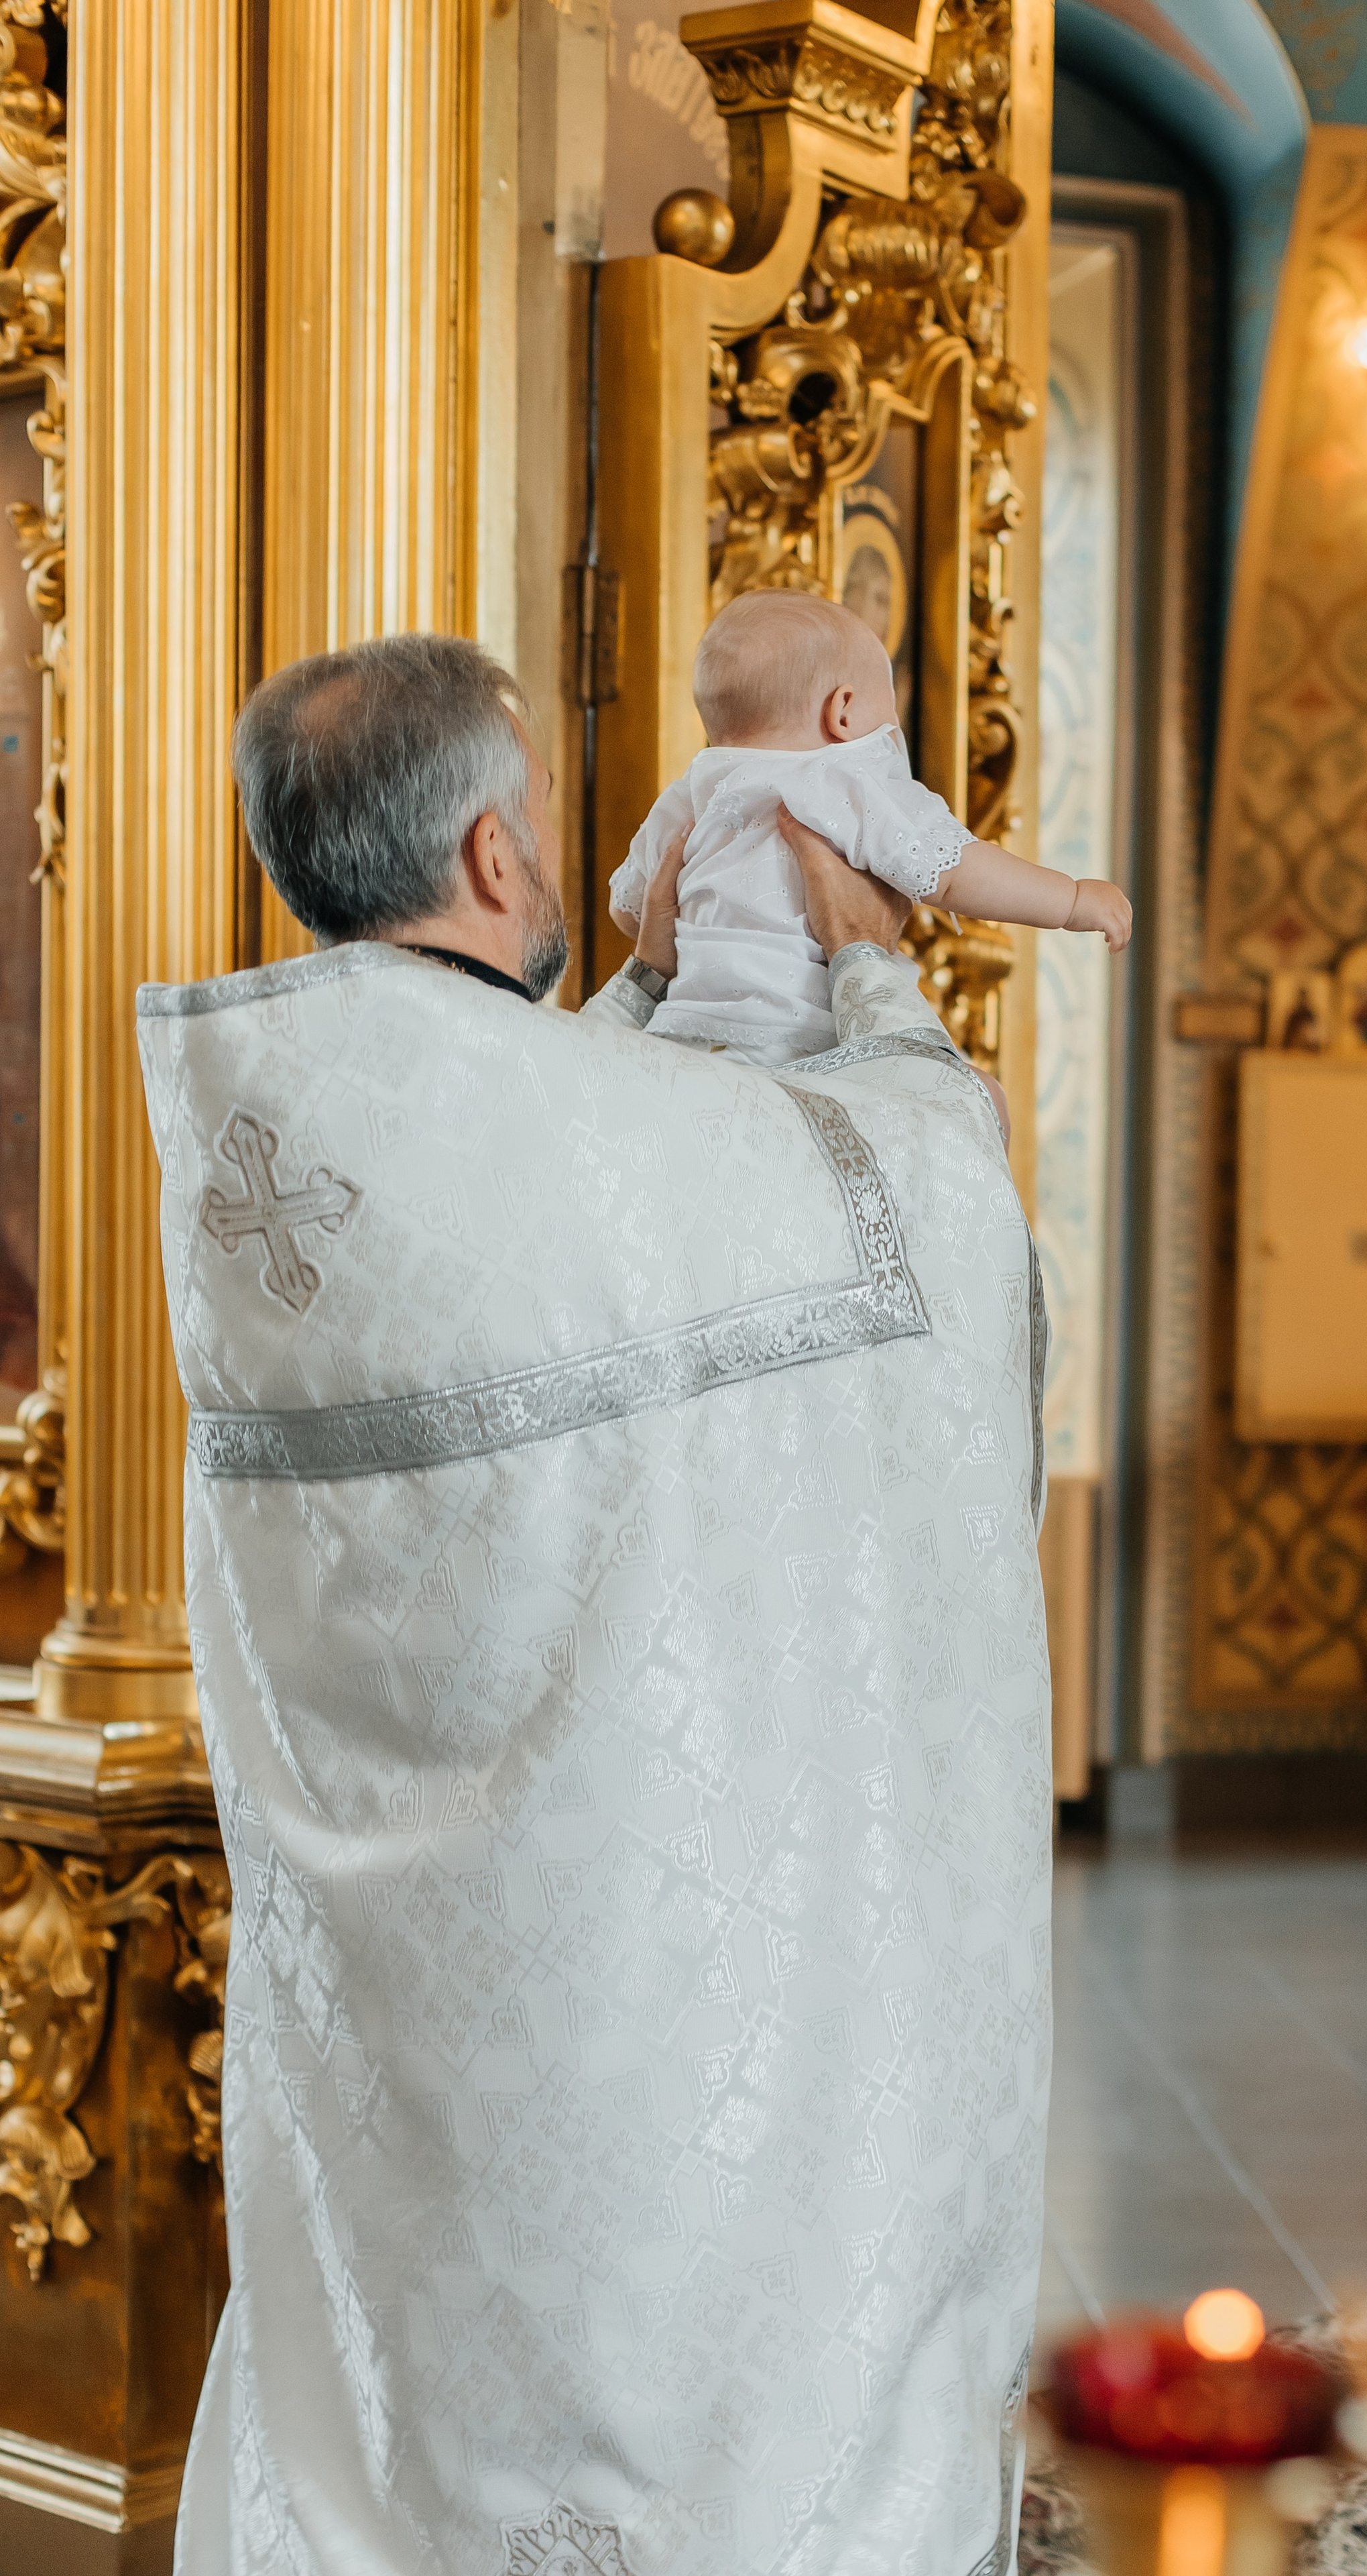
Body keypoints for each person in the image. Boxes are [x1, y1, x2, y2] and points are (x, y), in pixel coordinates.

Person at [137, 632, 1051, 2576]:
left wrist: (643, 977)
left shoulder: (280, 1151)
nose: (560, 862)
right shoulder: (568, 1140)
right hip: (610, 2026)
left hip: (400, 2033)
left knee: (404, 2397)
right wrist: (877, 968)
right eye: (543, 828)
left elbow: (578, 1169)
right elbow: (920, 1225)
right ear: (488, 853)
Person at [609, 587, 1132, 1063]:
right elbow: (954, 871)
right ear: (843, 711)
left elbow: (632, 910)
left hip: (685, 1040)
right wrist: (1071, 899)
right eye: (890, 714)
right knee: (979, 1100)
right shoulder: (849, 775)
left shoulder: (690, 791)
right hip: (804, 1042)